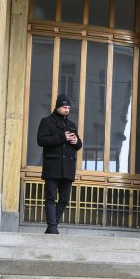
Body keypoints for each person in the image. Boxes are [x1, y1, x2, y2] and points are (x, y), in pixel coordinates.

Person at [36, 94, 82, 234]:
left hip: (67, 168)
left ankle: (52, 225)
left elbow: (78, 143)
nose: (67, 110)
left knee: (64, 199)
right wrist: (62, 137)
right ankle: (53, 227)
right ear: (57, 107)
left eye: (68, 107)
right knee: (50, 197)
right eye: (64, 107)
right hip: (52, 166)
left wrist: (76, 143)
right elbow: (41, 141)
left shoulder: (71, 124)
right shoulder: (46, 121)